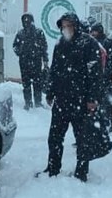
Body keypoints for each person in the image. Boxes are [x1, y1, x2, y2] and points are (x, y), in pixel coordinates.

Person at [41, 12, 103, 182]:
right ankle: (52, 168)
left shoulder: (88, 43)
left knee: (82, 139)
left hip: (81, 101)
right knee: (54, 137)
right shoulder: (60, 43)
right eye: (63, 25)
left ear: (76, 26)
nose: (66, 28)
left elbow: (95, 73)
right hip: (61, 99)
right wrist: (50, 91)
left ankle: (81, 172)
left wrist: (92, 98)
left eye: (69, 25)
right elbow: (54, 70)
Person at [90, 22, 112, 132]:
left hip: (109, 78)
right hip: (99, 78)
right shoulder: (92, 43)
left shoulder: (109, 43)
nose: (92, 33)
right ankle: (103, 122)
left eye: (94, 31)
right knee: (101, 102)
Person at [12, 13, 48, 110]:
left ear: (32, 21)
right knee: (26, 83)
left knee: (37, 83)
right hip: (24, 62)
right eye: (24, 21)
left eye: (28, 21)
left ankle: (38, 102)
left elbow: (44, 47)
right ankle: (28, 102)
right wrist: (20, 52)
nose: (26, 23)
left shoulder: (38, 33)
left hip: (36, 62)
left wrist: (45, 61)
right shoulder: (20, 34)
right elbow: (15, 46)